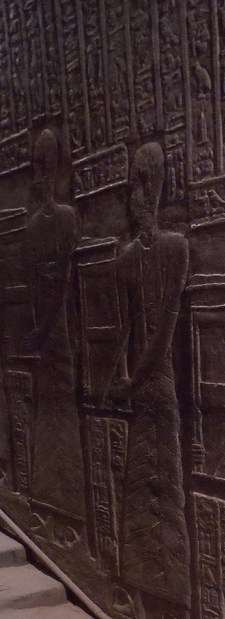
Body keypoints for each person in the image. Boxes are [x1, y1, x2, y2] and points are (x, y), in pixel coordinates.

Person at [107, 142, 190, 619]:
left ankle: (174, 605)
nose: (136, 197)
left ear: (158, 189)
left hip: (157, 388)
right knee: (138, 490)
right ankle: (138, 590)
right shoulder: (123, 258)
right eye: (132, 185)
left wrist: (132, 380)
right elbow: (123, 329)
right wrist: (113, 376)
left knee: (167, 490)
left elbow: (162, 334)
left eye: (145, 184)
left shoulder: (176, 249)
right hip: (138, 388)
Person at [23, 129, 86, 542]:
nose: (42, 171)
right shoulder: (32, 225)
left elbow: (63, 280)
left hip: (59, 333)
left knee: (63, 418)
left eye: (46, 163)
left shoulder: (66, 218)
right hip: (46, 336)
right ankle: (47, 507)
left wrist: (42, 329)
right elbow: (33, 283)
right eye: (39, 164)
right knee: (47, 417)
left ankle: (70, 518)